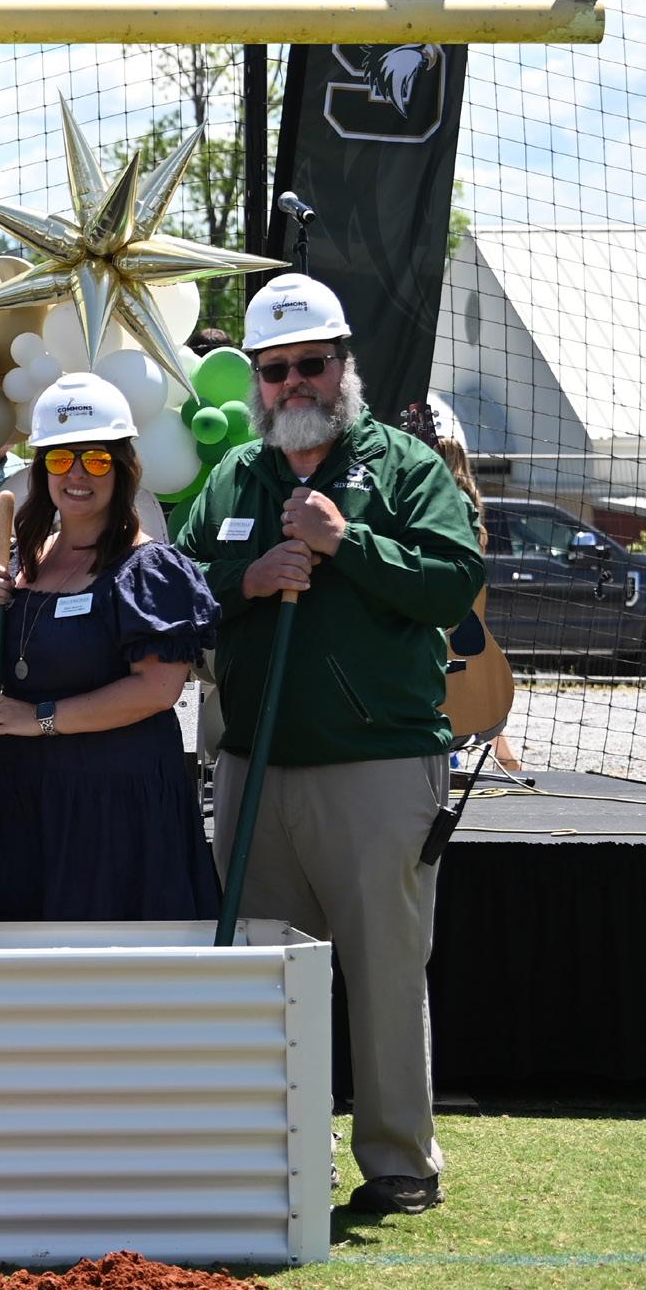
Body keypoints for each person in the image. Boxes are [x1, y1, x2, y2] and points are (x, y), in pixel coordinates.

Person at [175, 272, 482, 1215]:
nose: (292, 383)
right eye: (274, 370)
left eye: (310, 363)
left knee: (384, 968)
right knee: (266, 974)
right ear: (255, 382)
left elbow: (453, 580)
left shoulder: (403, 466)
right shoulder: (235, 475)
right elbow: (173, 586)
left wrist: (346, 542)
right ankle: (278, 1151)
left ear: (343, 364)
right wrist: (245, 578)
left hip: (378, 764)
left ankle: (398, 1162)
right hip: (252, 766)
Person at [0, 376, 219, 921]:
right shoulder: (22, 560)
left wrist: (39, 719)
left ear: (123, 468)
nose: (77, 474)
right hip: (29, 800)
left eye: (97, 460)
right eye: (61, 460)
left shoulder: (148, 568)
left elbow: (158, 690)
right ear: (42, 470)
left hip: (116, 807)